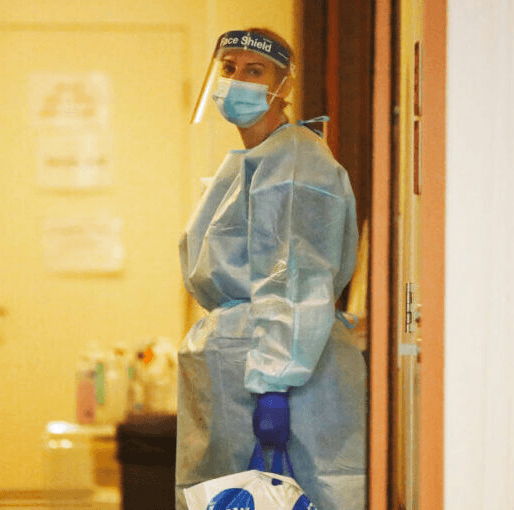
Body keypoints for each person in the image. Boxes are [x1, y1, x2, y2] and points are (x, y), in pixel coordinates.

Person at [176, 28, 366, 510]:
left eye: (254, 70)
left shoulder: (296, 162)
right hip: (241, 364)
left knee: (292, 493)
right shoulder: (252, 160)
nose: (236, 80)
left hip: (279, 372)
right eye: (229, 68)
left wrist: (274, 384)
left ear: (283, 86)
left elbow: (295, 276)